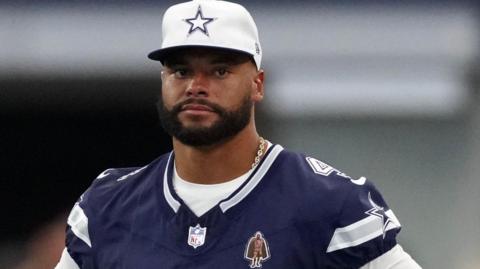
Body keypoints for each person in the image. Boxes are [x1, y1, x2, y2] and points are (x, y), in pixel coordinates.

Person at [55, 0, 421, 268]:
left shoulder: (328, 204)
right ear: (163, 81)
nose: (196, 86)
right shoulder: (108, 206)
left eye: (219, 71)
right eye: (181, 71)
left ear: (257, 84)